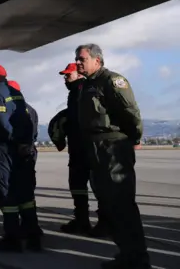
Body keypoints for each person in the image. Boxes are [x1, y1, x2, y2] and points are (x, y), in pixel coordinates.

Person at [75, 44, 150, 269]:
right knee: (109, 204)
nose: (78, 62)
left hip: (113, 149)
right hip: (97, 149)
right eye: (77, 59)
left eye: (82, 59)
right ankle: (126, 254)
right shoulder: (88, 84)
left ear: (97, 60)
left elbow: (131, 113)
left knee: (122, 204)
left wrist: (133, 139)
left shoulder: (112, 81)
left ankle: (137, 260)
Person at [0, 65, 41, 252]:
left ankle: (12, 238)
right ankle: (33, 235)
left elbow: (1, 122)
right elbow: (25, 120)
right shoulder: (15, 92)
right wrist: (24, 143)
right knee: (25, 193)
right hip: (22, 148)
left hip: (7, 148)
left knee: (5, 190)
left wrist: (14, 141)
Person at [57, 63, 109, 237]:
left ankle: (100, 223)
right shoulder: (75, 91)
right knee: (79, 185)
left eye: (68, 75)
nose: (65, 78)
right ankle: (82, 221)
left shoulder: (81, 89)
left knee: (94, 185)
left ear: (78, 74)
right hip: (80, 146)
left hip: (84, 147)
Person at [7, 80, 43, 241]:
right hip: (30, 151)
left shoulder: (16, 110)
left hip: (19, 152)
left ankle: (24, 228)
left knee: (17, 190)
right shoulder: (32, 110)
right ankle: (31, 226)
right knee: (28, 191)